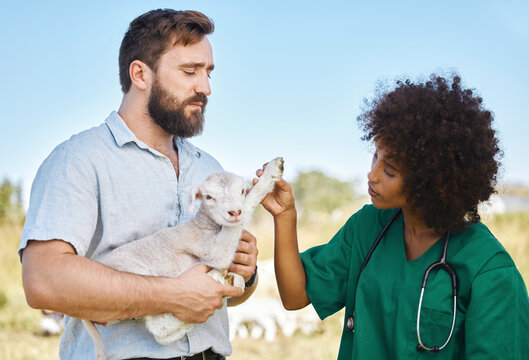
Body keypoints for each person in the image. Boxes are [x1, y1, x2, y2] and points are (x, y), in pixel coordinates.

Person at [19, 9, 259, 360]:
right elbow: (43, 280)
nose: (204, 87)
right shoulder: (79, 160)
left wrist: (245, 273)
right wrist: (173, 295)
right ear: (140, 74)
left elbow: (228, 291)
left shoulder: (210, 168)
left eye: (208, 73)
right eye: (189, 71)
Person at [258, 75, 529, 359]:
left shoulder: (489, 269)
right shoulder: (367, 227)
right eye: (375, 156)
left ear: (430, 182)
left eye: (390, 170)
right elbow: (295, 296)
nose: (371, 174)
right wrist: (285, 216)